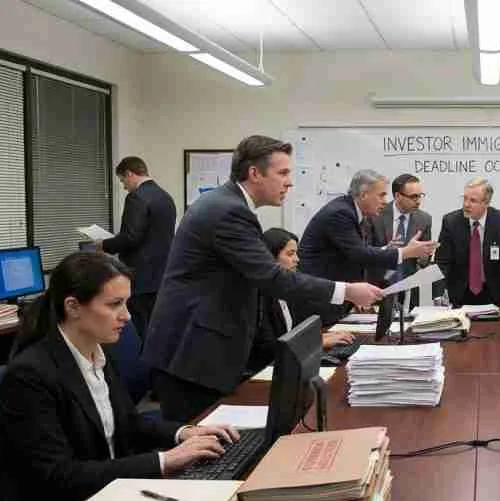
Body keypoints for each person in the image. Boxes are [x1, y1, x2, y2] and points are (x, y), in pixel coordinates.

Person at [143, 136, 382, 422]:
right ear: (255, 173)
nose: (290, 182)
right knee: (202, 452)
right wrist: (346, 291)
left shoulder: (228, 204)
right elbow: (271, 277)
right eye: (282, 173)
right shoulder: (229, 211)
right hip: (192, 352)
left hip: (201, 347)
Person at [0, 251, 239, 501]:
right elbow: (58, 475)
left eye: (126, 303)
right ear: (73, 307)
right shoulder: (30, 374)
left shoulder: (98, 353)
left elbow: (128, 423)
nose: (127, 316)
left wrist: (183, 433)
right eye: (114, 304)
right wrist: (165, 460)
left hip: (115, 493)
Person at [295, 169, 437, 326]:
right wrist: (404, 252)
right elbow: (359, 254)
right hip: (319, 299)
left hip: (336, 298)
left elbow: (354, 254)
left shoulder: (356, 214)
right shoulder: (341, 213)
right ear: (363, 195)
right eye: (381, 195)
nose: (385, 201)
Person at [247, 228, 356, 372]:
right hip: (261, 374)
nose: (297, 259)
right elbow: (267, 350)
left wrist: (321, 336)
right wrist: (317, 342)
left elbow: (294, 333)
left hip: (286, 368)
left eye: (296, 253)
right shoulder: (259, 296)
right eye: (290, 254)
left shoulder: (288, 291)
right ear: (270, 258)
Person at [98, 156, 176, 340]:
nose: (124, 186)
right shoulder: (165, 197)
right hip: (161, 276)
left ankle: (141, 367)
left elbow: (131, 237)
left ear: (130, 173)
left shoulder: (136, 197)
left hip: (140, 278)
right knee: (157, 329)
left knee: (140, 330)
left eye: (123, 180)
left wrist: (104, 244)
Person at [435, 178, 500, 307]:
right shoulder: (451, 222)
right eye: (465, 198)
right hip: (459, 295)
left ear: (486, 203)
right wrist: (438, 295)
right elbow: (442, 262)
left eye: (473, 200)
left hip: (496, 296)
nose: (466, 204)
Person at [367, 173, 434, 310]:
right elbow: (364, 251)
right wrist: (387, 248)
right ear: (397, 196)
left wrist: (424, 256)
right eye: (413, 196)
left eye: (420, 195)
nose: (418, 201)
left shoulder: (424, 219)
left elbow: (423, 262)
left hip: (408, 288)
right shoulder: (375, 214)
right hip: (377, 286)